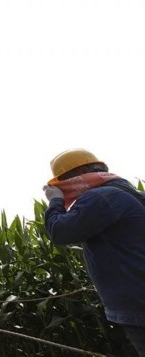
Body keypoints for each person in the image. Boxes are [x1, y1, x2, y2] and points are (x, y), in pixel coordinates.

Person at [43, 148, 145, 356]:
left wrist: (55, 201)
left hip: (138, 303)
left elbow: (60, 232)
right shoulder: (126, 193)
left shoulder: (100, 197)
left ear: (73, 178)